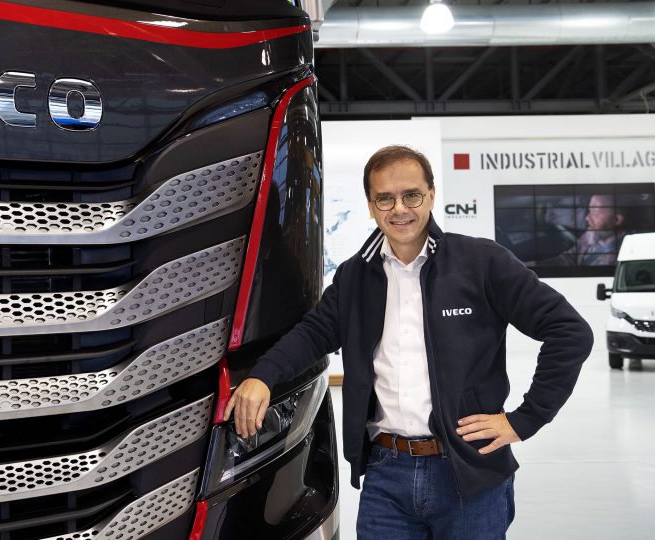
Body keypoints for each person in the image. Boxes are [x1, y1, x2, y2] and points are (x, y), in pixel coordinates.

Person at [224, 145, 592, 539]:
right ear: (371, 206)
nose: (399, 208)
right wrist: (262, 376)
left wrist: (525, 419)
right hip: (386, 474)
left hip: (469, 472)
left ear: (431, 195)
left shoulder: (481, 262)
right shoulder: (354, 277)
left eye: (411, 195)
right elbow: (312, 334)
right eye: (385, 198)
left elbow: (570, 331)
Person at [576, 194, 625, 266]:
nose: (587, 218)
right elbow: (570, 255)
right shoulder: (592, 233)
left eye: (595, 213)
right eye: (590, 211)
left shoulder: (623, 255)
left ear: (616, 220)